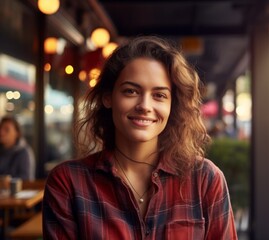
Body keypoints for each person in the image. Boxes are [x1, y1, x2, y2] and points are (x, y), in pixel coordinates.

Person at [42, 36, 238, 239]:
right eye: (131, 91)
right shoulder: (68, 183)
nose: (145, 105)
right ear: (108, 97)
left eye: (159, 95)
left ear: (173, 105)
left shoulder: (205, 179)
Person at [0, 115, 35, 180]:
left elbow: (26, 179)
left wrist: (8, 181)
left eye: (6, 129)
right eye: (0, 128)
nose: (1, 132)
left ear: (17, 133)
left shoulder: (24, 152)